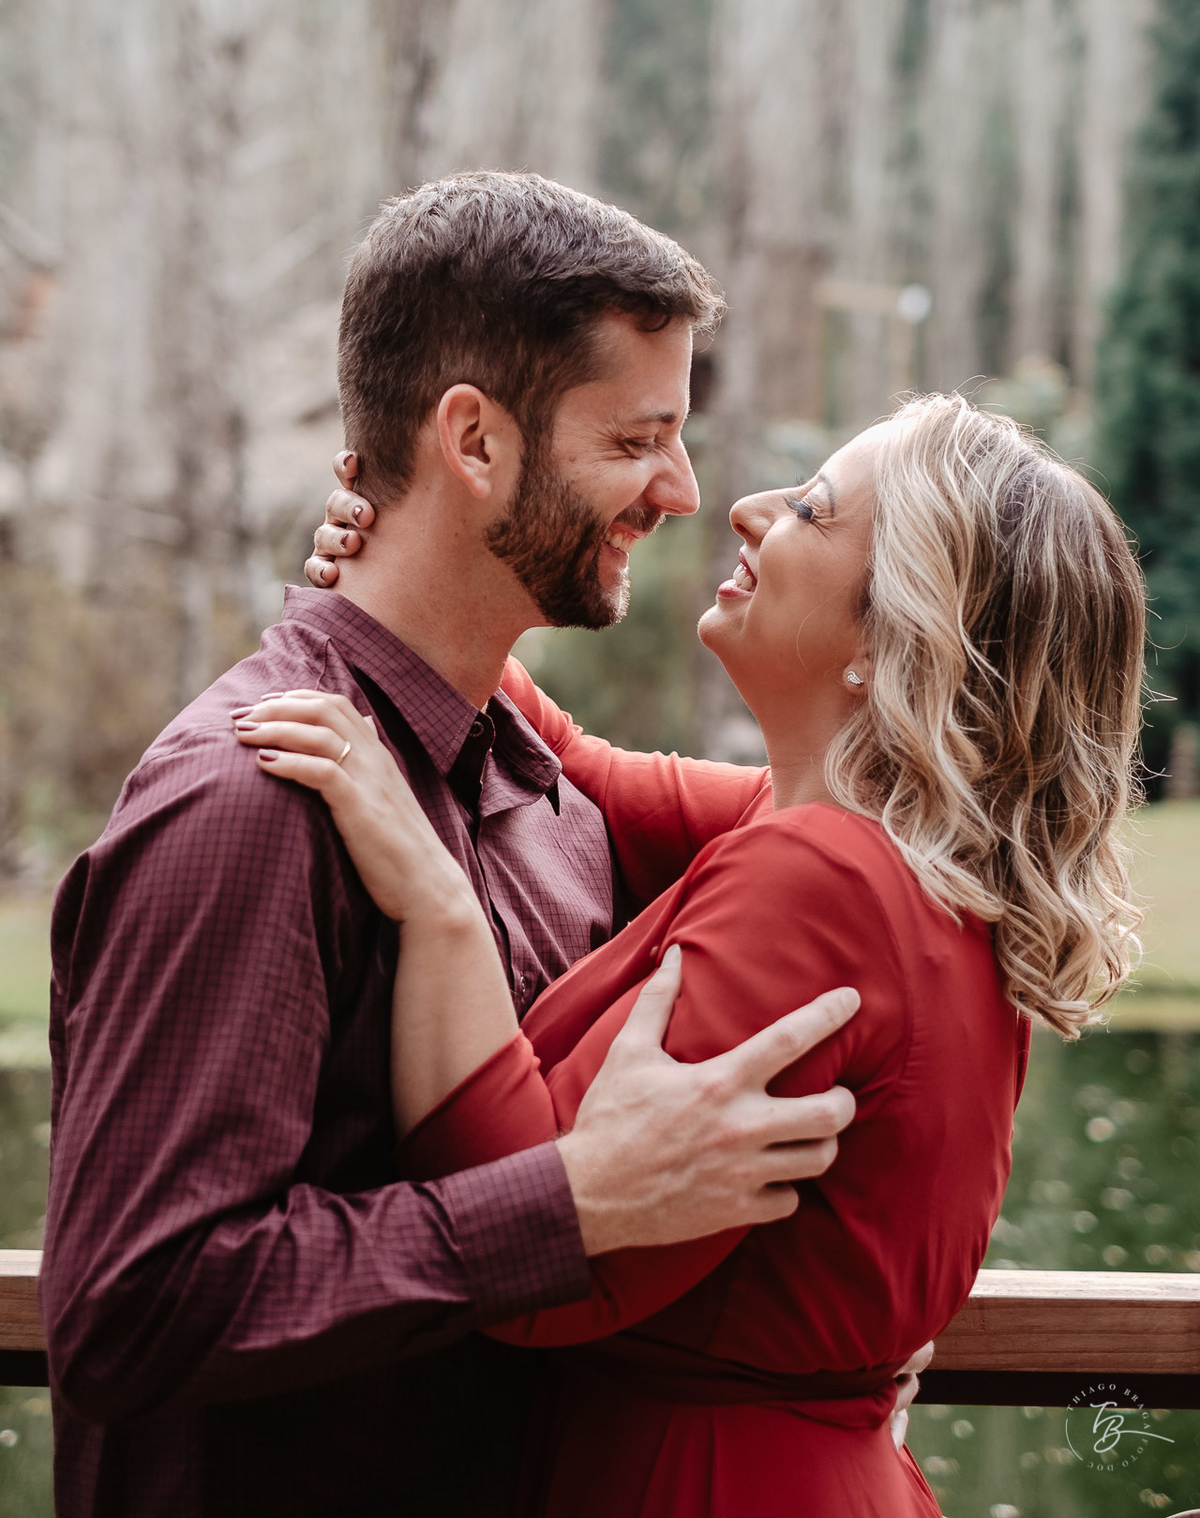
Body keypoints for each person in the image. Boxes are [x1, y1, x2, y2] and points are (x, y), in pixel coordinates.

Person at [41, 173, 869, 1518]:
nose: (682, 489)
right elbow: (139, 1311)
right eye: (639, 437)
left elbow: (852, 842)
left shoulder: (543, 783)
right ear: (474, 443)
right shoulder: (250, 805)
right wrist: (572, 1202)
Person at [246, 392, 1146, 1516]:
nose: (752, 511)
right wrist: (412, 586)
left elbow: (525, 1237)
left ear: (893, 632)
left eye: (814, 511)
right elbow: (577, 763)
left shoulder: (825, 881)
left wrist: (439, 908)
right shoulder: (893, 857)